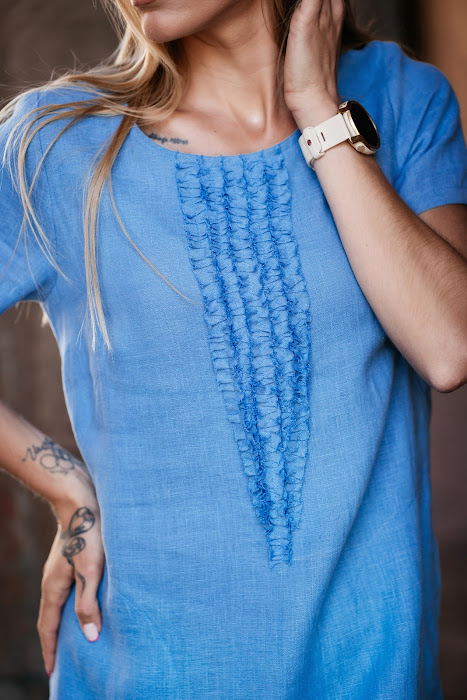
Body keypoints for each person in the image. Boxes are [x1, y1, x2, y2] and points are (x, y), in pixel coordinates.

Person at [1, 0, 466, 697]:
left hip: (374, 672)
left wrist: (318, 110)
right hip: (146, 672)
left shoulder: (399, 97)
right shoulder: (56, 141)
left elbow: (448, 346)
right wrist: (64, 485)